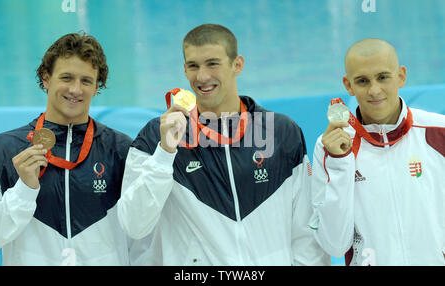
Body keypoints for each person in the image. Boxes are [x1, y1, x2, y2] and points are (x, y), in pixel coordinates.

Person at [117, 24, 329, 265]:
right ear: (184, 70)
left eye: (212, 63)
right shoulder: (157, 137)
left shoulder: (280, 132)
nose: (202, 76)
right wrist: (165, 154)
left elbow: (306, 232)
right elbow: (134, 226)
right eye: (193, 66)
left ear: (237, 64)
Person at [0, 33, 137, 265]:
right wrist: (24, 190)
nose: (75, 89)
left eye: (86, 81)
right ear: (46, 79)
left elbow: (140, 233)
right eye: (67, 78)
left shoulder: (121, 149)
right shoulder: (4, 148)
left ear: (96, 87)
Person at [309, 38, 445, 266]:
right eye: (362, 81)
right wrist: (340, 163)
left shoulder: (439, 132)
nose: (374, 90)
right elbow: (334, 245)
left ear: (401, 76)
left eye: (383, 77)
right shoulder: (328, 147)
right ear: (348, 85)